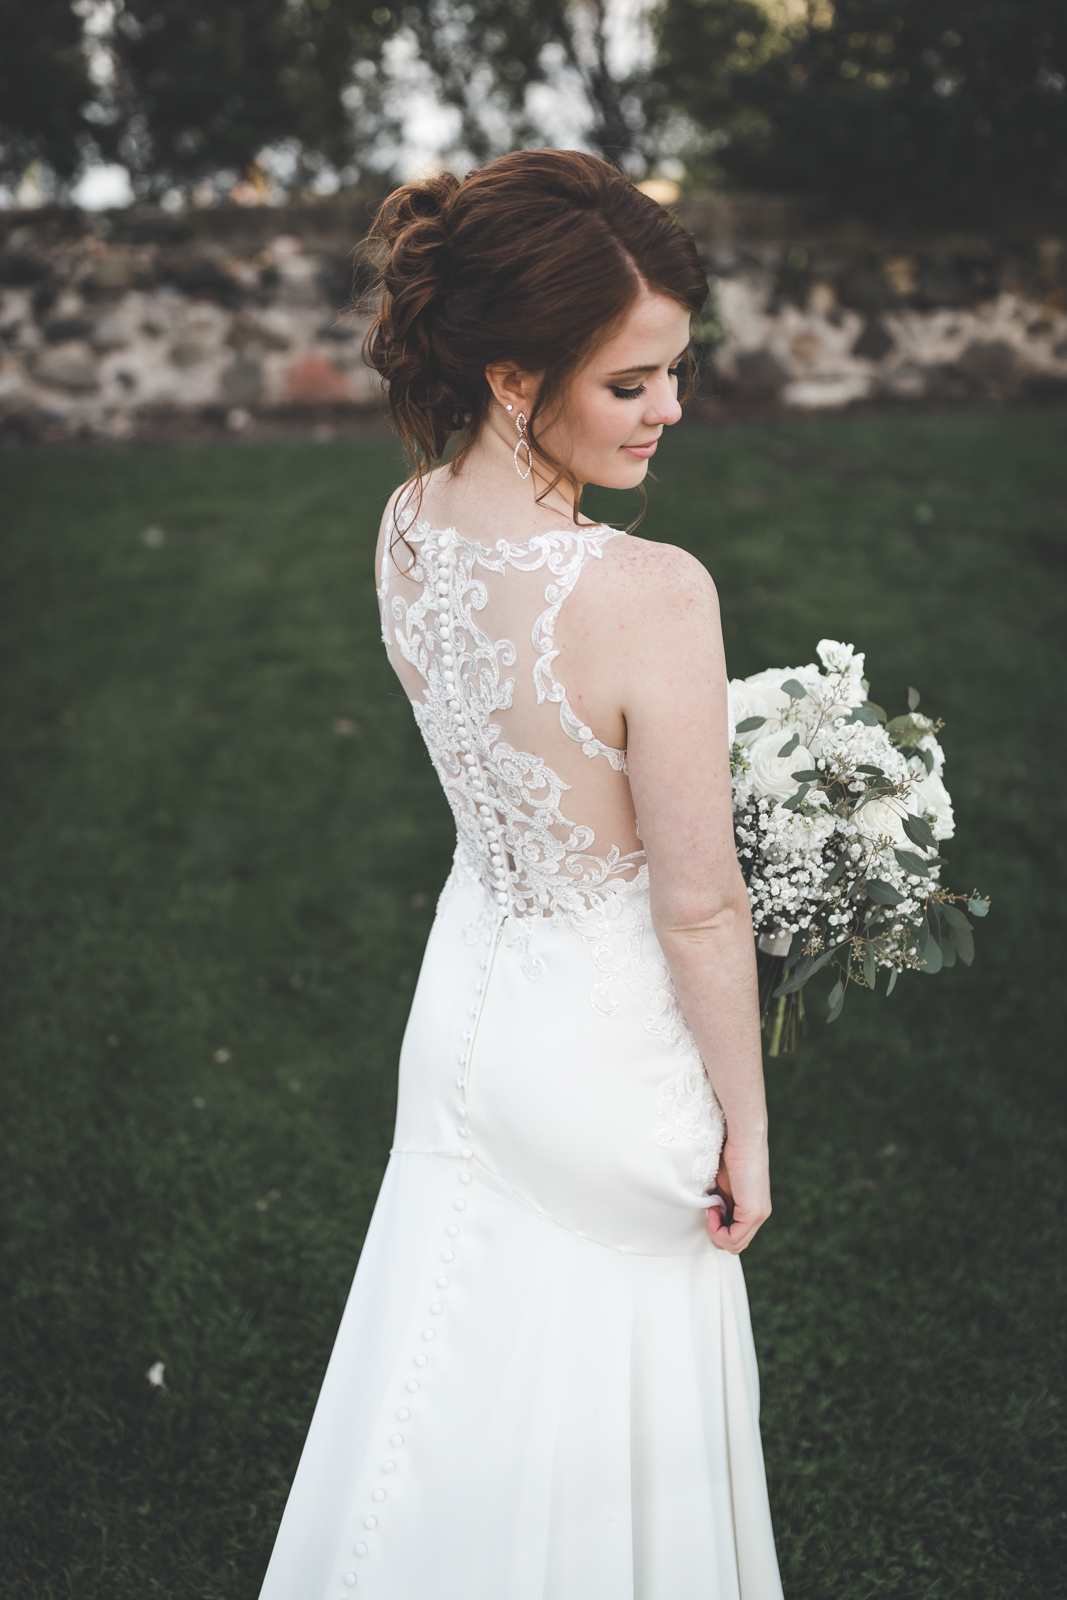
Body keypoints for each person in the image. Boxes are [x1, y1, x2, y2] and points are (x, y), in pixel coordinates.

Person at [259, 149, 782, 1600]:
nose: (672, 408)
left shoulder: (410, 526)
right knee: (618, 1410)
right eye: (632, 384)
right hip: (608, 1045)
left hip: (471, 1006)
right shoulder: (648, 592)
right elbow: (697, 901)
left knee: (447, 1369)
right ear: (512, 375)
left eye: (676, 371)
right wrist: (745, 1122)